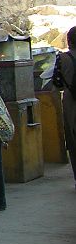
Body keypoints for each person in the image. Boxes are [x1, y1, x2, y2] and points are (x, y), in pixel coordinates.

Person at [48, 25, 76, 188]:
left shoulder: (62, 58)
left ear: (69, 41)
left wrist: (58, 111)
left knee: (72, 142)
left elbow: (56, 86)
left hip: (71, 104)